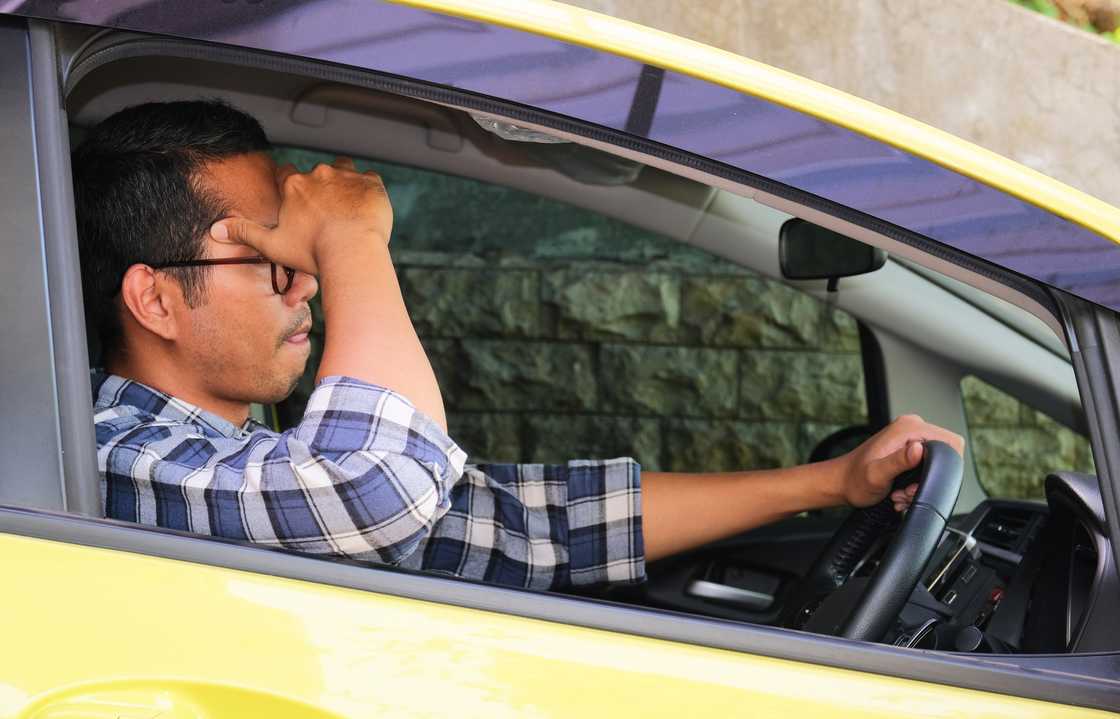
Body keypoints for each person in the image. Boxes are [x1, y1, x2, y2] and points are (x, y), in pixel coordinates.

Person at [75, 100, 963, 590]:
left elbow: (523, 524)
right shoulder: (101, 461)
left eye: (300, 257)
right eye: (268, 258)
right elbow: (380, 491)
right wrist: (350, 240)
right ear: (153, 296)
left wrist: (828, 485)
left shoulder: (246, 457)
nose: (303, 283)